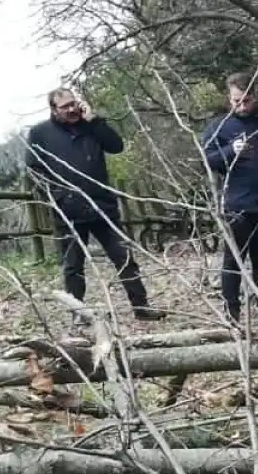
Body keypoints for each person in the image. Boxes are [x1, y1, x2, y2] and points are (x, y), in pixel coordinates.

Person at [26, 87, 163, 321]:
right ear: (54, 109)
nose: (71, 109)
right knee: (72, 267)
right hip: (67, 212)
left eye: (73, 103)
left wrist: (96, 121)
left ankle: (141, 307)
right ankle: (79, 315)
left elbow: (116, 146)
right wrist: (57, 197)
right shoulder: (40, 133)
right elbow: (34, 170)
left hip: (102, 207)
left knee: (124, 258)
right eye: (65, 106)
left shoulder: (92, 125)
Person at [202, 72, 258, 324]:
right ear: (228, 98)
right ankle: (232, 314)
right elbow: (208, 161)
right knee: (233, 263)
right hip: (237, 207)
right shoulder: (219, 127)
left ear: (255, 98)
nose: (241, 106)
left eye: (246, 101)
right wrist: (231, 151)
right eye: (236, 101)